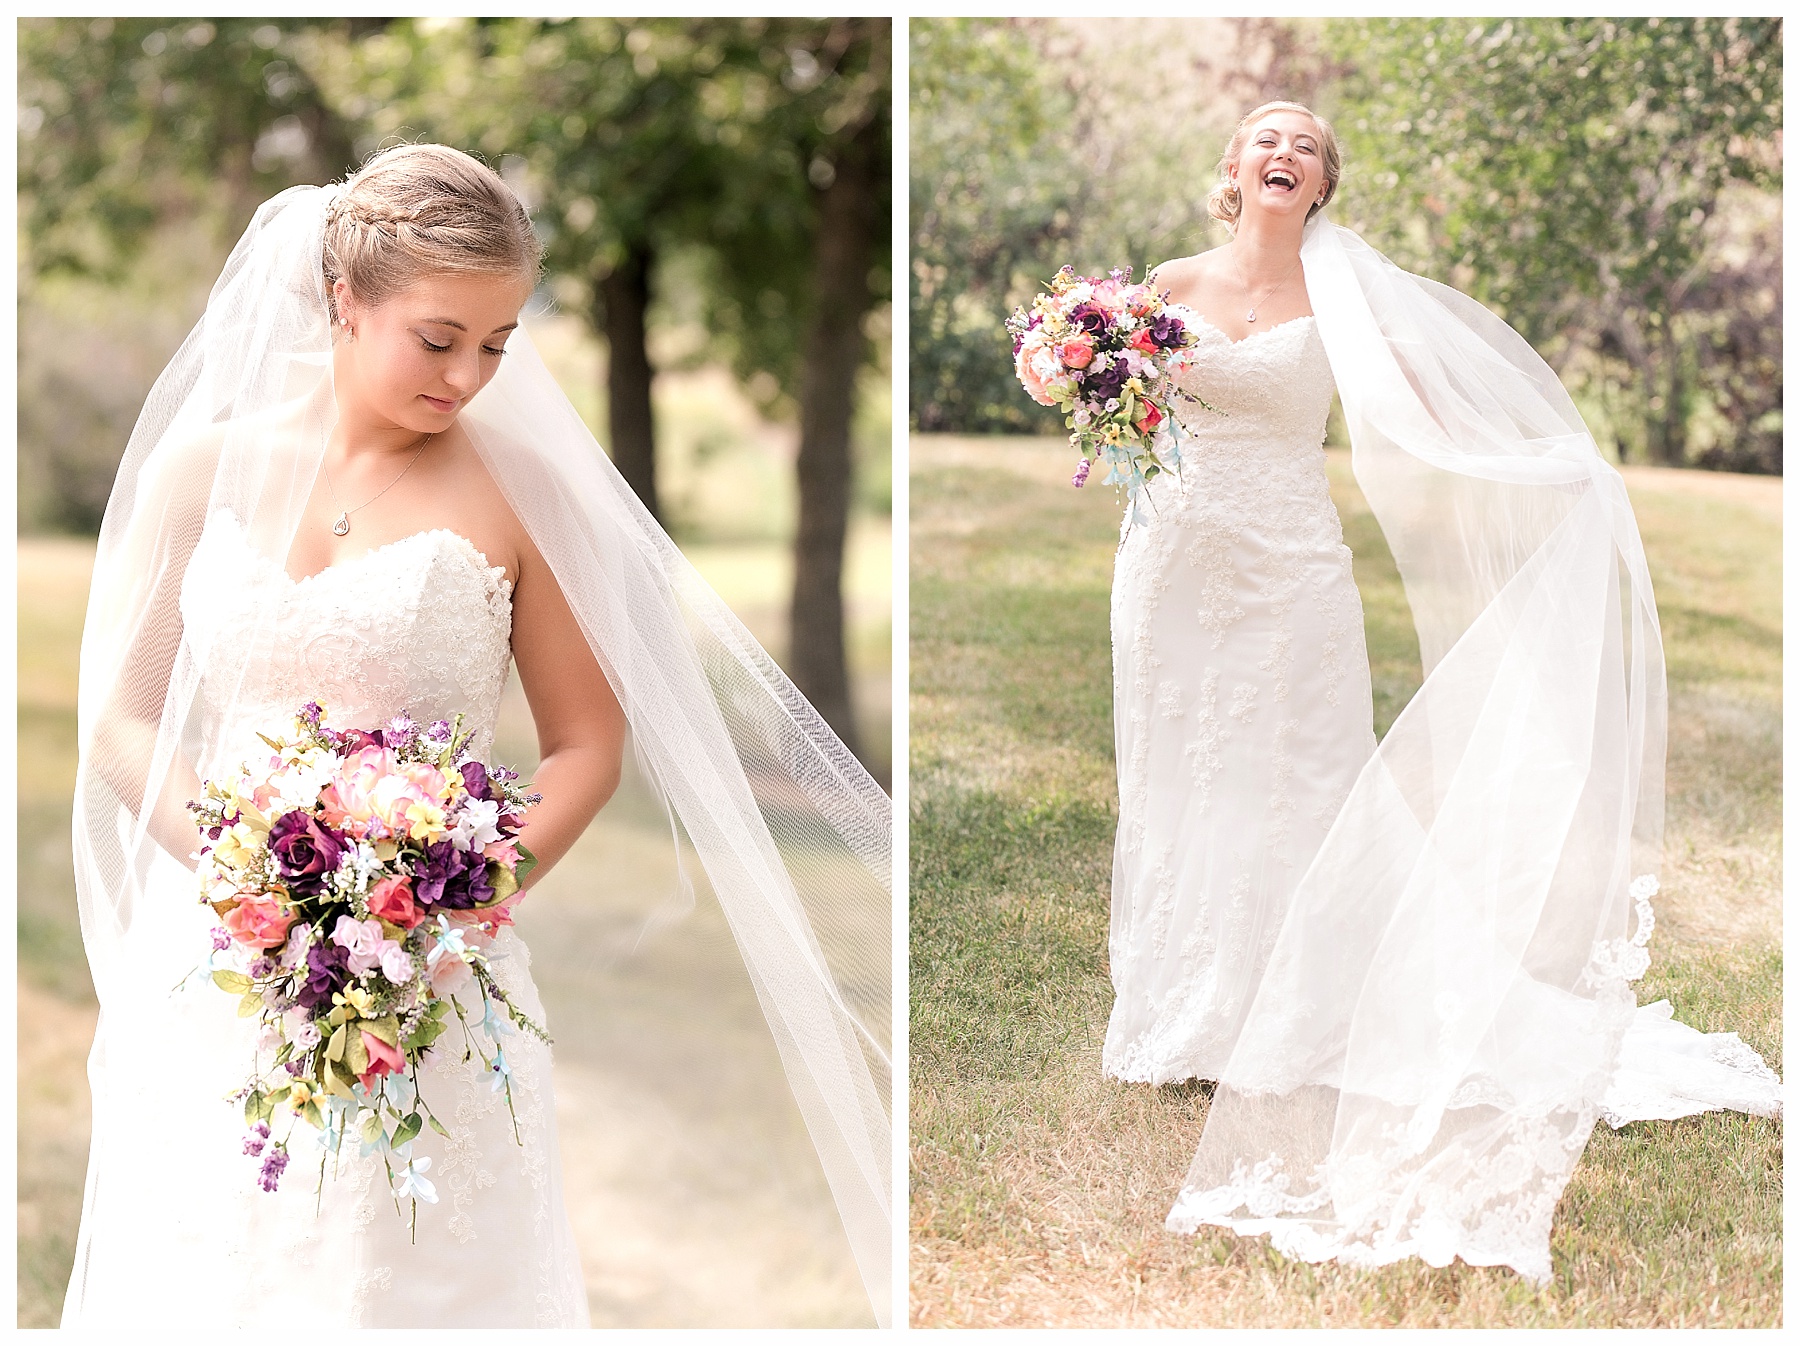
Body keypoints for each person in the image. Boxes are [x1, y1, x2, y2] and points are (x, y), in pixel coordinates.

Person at [63, 144, 891, 1326]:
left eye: (498, 344)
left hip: (434, 966)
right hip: (221, 956)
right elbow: (123, 718)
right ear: (344, 300)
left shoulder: (522, 491)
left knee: (405, 1278)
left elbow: (585, 748)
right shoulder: (203, 474)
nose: (470, 375)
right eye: (440, 337)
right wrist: (255, 880)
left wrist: (445, 899)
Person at [1101, 102, 1780, 1280]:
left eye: (1308, 146)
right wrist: (1084, 373)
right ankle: (1184, 1010)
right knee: (1178, 772)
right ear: (1232, 171)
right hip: (1168, 563)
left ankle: (1299, 1010)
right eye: (1268, 137)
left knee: (1301, 773)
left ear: (1319, 186)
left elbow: (1436, 408)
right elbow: (1132, 405)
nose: (1286, 152)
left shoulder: (1346, 297)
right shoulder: (1167, 281)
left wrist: (1552, 465)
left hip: (1291, 565)